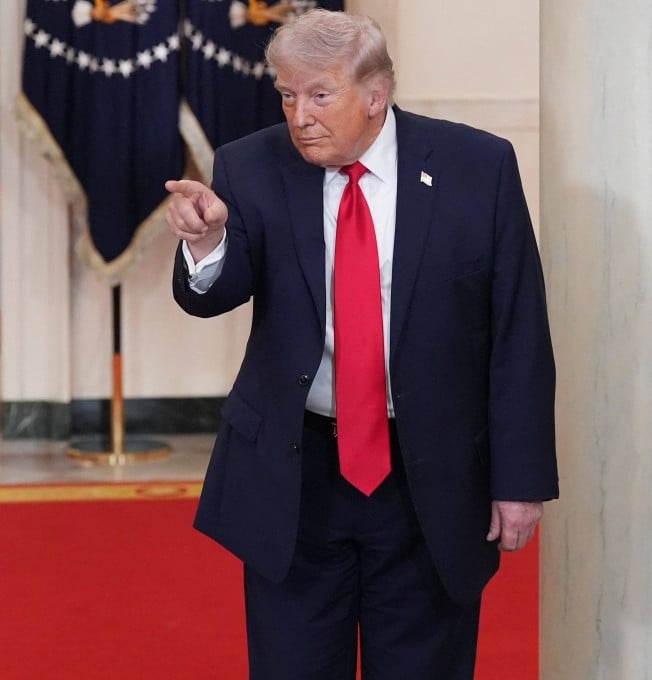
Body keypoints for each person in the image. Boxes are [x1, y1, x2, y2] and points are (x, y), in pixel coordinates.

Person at [165, 9, 557, 679]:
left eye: (320, 94)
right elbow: (214, 294)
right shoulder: (250, 166)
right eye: (287, 95)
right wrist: (206, 242)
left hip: (427, 482)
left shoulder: (477, 168)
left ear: (376, 95)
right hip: (297, 480)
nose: (299, 115)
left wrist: (519, 483)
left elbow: (518, 333)